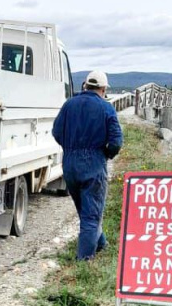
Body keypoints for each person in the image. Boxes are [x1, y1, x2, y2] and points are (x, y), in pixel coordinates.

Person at [52, 71, 123, 260]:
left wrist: (70, 147)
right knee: (91, 214)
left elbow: (56, 131)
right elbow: (116, 141)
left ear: (85, 85)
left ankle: (101, 244)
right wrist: (106, 154)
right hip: (93, 163)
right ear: (103, 88)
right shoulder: (106, 108)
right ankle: (83, 260)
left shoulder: (69, 105)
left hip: (70, 165)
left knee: (85, 209)